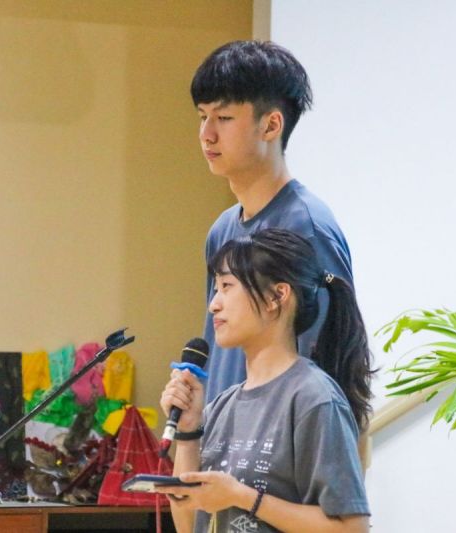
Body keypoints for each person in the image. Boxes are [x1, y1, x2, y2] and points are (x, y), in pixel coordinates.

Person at [158, 229, 371, 533]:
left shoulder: (313, 397)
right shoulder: (222, 405)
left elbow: (353, 528)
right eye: (215, 289)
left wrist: (243, 497)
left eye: (227, 286)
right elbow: (190, 525)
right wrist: (189, 433)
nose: (214, 304)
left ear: (276, 296)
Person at [191, 40, 359, 402]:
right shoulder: (222, 230)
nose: (207, 133)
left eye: (223, 118)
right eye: (202, 116)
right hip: (224, 444)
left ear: (270, 125)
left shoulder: (307, 227)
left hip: (281, 449)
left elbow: (331, 371)